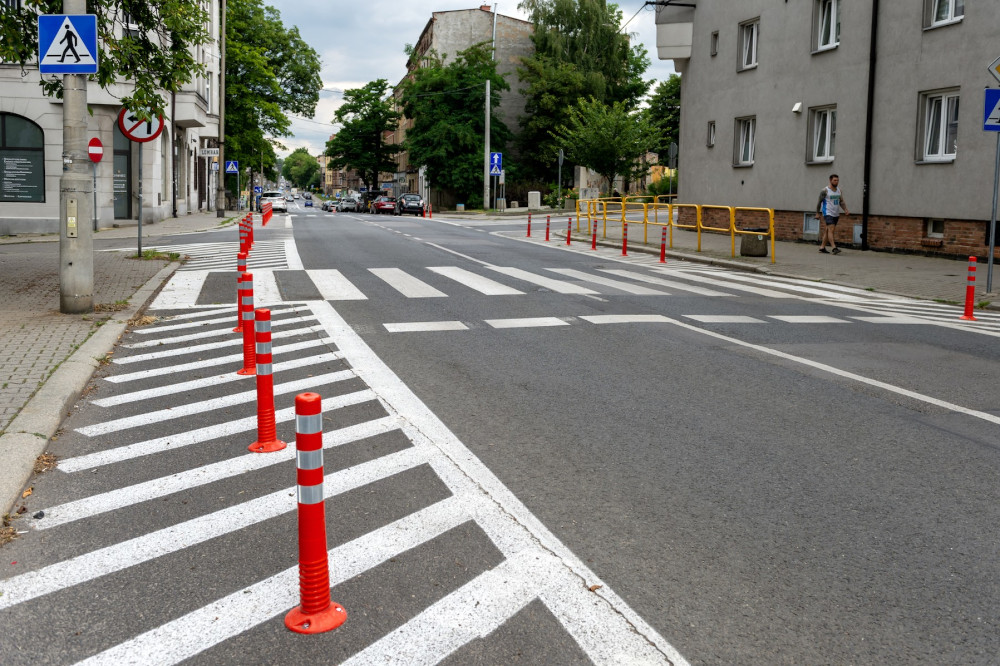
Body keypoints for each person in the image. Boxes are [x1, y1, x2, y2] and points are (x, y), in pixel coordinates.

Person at [816, 173, 848, 254]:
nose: (836, 182)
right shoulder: (825, 191)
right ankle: (834, 248)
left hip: (836, 213)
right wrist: (817, 213)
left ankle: (822, 247)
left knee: (828, 230)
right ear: (830, 180)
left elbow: (841, 201)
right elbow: (819, 202)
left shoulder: (839, 191)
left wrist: (845, 209)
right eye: (834, 180)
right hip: (827, 212)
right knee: (831, 229)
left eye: (837, 180)